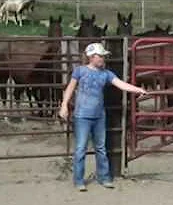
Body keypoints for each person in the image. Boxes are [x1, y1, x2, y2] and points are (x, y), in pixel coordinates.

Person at [59, 42, 147, 192]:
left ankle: (104, 177)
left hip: (99, 115)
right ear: (92, 57)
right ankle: (79, 180)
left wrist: (138, 89)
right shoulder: (80, 71)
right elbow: (70, 88)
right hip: (82, 116)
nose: (103, 59)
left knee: (100, 147)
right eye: (100, 56)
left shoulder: (106, 74)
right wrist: (64, 105)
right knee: (81, 148)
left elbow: (121, 84)